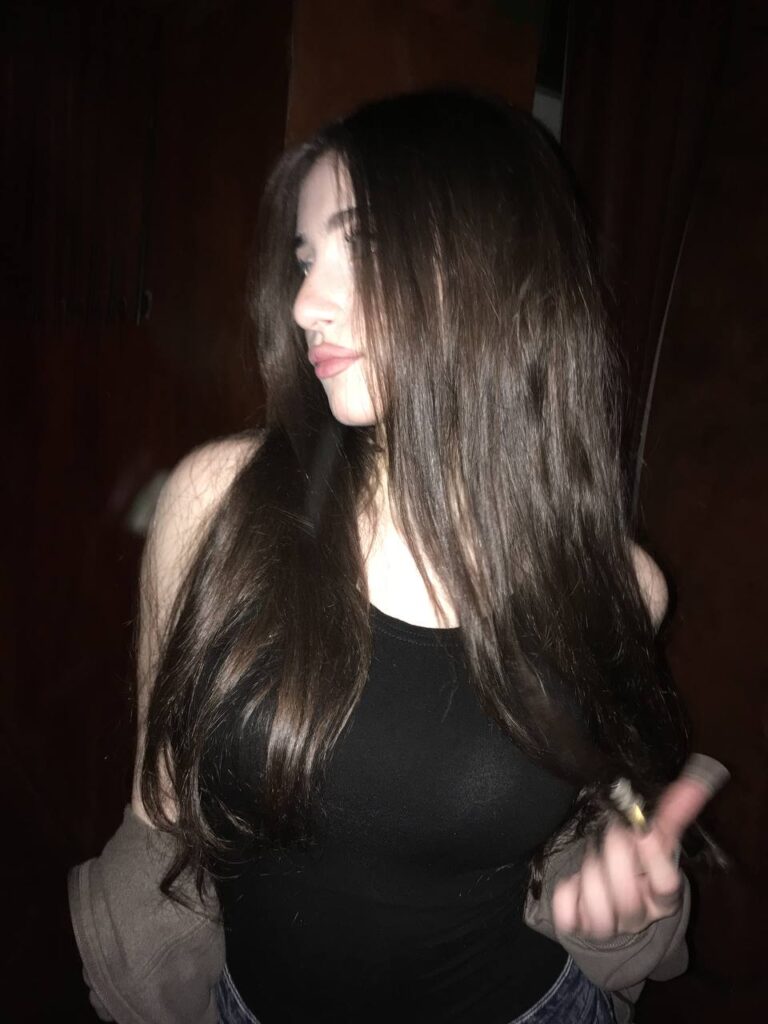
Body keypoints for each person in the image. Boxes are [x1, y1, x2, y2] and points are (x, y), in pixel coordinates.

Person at [69, 90, 728, 1024]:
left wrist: (629, 874)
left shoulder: (619, 586)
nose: (305, 302)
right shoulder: (218, 508)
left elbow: (590, 812)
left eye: (362, 249)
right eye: (305, 260)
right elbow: (160, 818)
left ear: (495, 270)